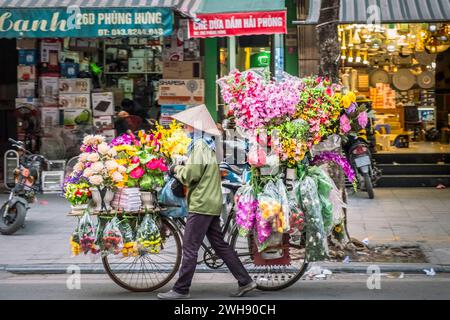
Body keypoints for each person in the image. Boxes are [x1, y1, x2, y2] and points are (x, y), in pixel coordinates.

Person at [157, 104, 256, 300]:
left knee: (190, 246)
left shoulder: (200, 145)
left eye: (186, 126)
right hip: (211, 200)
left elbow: (191, 175)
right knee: (219, 244)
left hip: (202, 202)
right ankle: (245, 281)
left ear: (195, 127)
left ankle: (181, 289)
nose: (185, 130)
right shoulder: (204, 144)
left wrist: (176, 169)